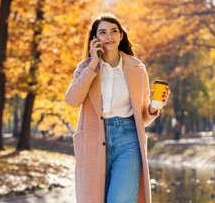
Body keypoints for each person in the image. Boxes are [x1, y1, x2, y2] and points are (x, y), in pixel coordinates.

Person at [65, 13, 170, 203]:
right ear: (95, 38)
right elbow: (72, 100)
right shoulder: (85, 67)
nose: (109, 37)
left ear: (121, 35)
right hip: (93, 139)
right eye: (103, 32)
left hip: (128, 140)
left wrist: (155, 108)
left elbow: (143, 117)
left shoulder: (137, 68)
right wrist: (93, 64)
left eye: (114, 31)